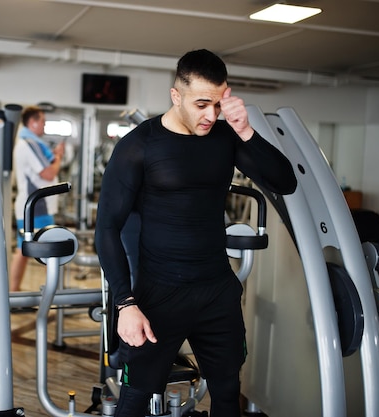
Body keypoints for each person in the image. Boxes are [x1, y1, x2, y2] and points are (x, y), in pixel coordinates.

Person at [94, 49, 297, 417]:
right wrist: (125, 303)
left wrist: (245, 130)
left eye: (218, 104)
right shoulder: (139, 145)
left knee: (226, 393)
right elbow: (107, 227)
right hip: (159, 295)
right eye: (202, 103)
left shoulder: (225, 137)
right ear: (176, 96)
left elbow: (286, 182)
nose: (210, 115)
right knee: (135, 398)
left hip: (217, 290)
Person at [10, 106, 65, 292]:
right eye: (42, 121)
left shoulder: (31, 143)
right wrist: (58, 156)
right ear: (32, 123)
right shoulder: (28, 144)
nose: (44, 124)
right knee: (48, 251)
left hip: (35, 207)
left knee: (23, 250)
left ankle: (14, 291)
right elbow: (49, 173)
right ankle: (50, 293)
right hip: (36, 207)